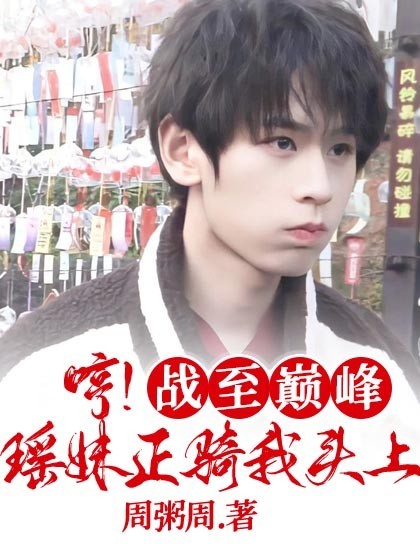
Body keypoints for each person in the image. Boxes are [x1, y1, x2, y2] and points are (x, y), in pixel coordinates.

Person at [0, 0, 419, 396]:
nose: (320, 187)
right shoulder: (45, 369)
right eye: (282, 142)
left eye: (340, 149)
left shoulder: (380, 370)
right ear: (183, 151)